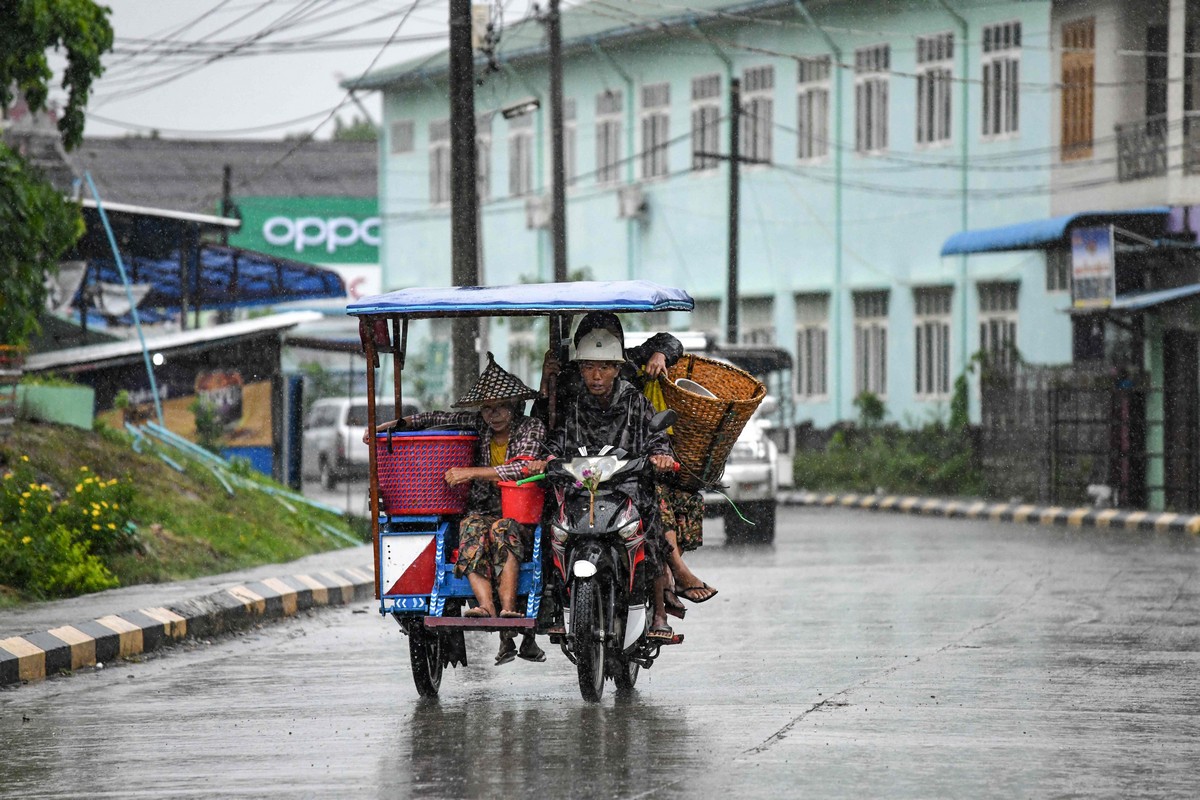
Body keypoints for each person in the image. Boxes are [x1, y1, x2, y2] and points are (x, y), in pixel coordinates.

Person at [369, 353, 546, 666]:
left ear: (515, 405)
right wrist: (390, 426)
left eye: (501, 406)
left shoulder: (531, 428)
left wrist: (471, 472)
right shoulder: (478, 425)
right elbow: (432, 419)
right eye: (488, 408)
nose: (495, 414)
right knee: (471, 527)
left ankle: (507, 609)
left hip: (519, 516)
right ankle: (486, 607)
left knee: (502, 529)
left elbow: (520, 470)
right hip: (481, 511)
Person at [540, 312, 718, 621]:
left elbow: (657, 434)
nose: (597, 375)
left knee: (652, 513)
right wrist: (546, 384)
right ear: (581, 365)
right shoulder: (572, 396)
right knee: (548, 518)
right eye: (590, 367)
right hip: (583, 480)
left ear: (617, 364)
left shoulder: (635, 395)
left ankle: (661, 592)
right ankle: (552, 599)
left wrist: (659, 455)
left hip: (628, 476)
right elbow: (550, 430)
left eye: (605, 367)